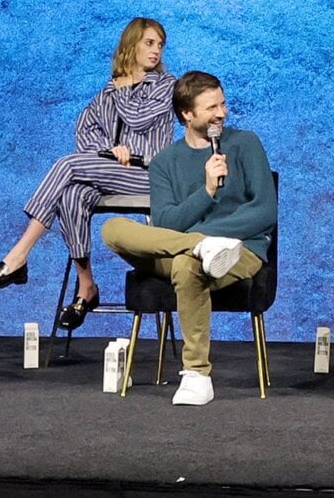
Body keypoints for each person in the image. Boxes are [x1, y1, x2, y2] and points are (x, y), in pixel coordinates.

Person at [0, 18, 176, 330]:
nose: (156, 50)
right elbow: (84, 130)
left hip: (147, 173)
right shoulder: (108, 90)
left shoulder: (164, 85)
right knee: (71, 195)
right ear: (131, 44)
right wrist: (110, 149)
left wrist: (122, 96)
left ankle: (18, 257)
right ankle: (86, 288)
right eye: (149, 43)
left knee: (67, 165)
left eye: (160, 44)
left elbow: (138, 118)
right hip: (109, 169)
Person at [101, 71, 275, 406]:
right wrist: (207, 191)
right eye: (211, 107)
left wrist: (209, 236)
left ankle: (197, 375)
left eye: (223, 104)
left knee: (185, 265)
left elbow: (266, 212)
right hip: (184, 246)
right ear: (187, 114)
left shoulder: (245, 143)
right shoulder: (165, 162)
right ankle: (197, 247)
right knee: (113, 229)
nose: (222, 113)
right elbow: (166, 222)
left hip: (241, 250)